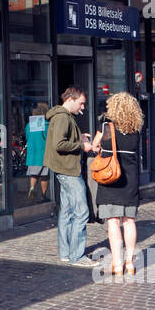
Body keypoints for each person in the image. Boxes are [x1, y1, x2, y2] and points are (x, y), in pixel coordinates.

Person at [89, 92, 144, 276]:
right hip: (130, 180)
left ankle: (117, 263)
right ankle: (130, 262)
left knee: (113, 222)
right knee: (129, 221)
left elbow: (95, 146)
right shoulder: (136, 130)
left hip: (111, 178)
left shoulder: (106, 127)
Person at [44, 86, 97, 267]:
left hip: (64, 169)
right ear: (70, 99)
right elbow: (59, 144)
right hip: (68, 170)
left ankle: (66, 253)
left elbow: (62, 141)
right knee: (81, 212)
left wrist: (79, 137)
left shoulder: (63, 116)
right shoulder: (62, 117)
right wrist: (82, 146)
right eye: (81, 103)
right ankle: (77, 256)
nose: (82, 108)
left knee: (67, 212)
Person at [23, 102, 50, 202]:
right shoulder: (47, 125)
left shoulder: (29, 125)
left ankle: (32, 188)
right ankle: (43, 195)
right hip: (43, 154)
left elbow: (27, 136)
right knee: (44, 176)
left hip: (32, 154)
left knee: (34, 174)